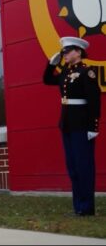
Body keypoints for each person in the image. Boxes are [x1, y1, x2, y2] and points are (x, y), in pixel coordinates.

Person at [43, 37, 100, 216]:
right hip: (67, 124)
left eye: (67, 51)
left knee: (84, 166)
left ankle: (87, 207)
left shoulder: (87, 72)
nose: (64, 54)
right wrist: (51, 65)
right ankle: (78, 206)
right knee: (73, 167)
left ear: (79, 52)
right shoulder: (66, 73)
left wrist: (93, 126)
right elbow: (47, 80)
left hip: (82, 125)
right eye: (64, 52)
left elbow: (94, 102)